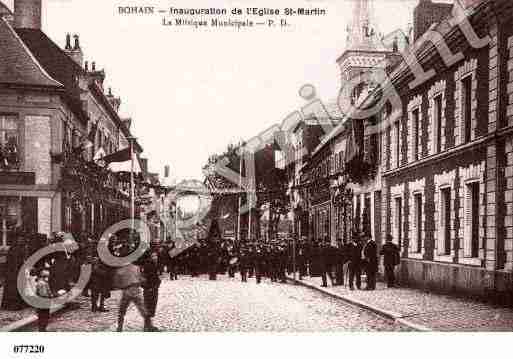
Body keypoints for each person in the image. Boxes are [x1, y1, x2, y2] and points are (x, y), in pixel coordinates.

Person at [113, 261, 159, 332]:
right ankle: (149, 326)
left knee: (122, 310)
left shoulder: (119, 270)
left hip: (126, 291)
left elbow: (116, 284)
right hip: (136, 290)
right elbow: (142, 279)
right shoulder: (136, 268)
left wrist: (124, 284)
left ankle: (119, 328)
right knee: (143, 309)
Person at [142, 251, 161, 319]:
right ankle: (147, 326)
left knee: (151, 307)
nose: (155, 257)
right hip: (150, 289)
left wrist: (158, 282)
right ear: (150, 257)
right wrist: (148, 287)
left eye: (156, 256)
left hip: (153, 288)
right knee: (149, 307)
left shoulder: (154, 264)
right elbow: (144, 278)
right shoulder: (148, 265)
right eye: (153, 256)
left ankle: (148, 325)